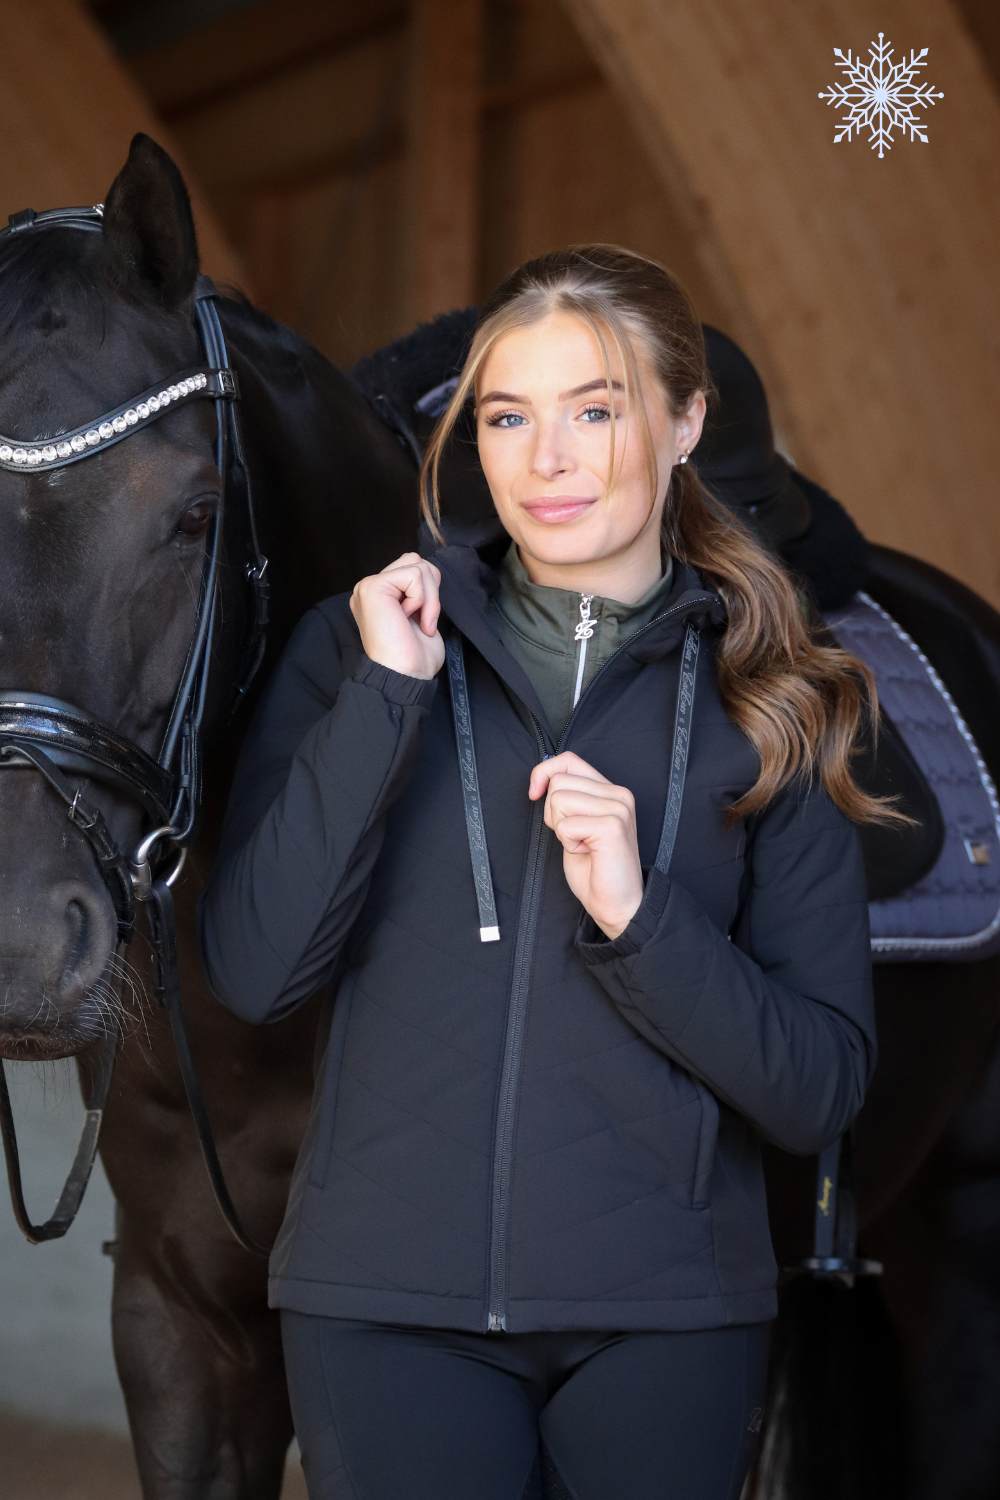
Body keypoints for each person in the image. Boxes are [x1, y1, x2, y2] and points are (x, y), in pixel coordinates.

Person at [198, 246, 888, 1500]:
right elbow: (255, 972)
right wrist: (387, 701)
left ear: (684, 424)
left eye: (595, 411)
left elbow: (818, 1089)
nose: (546, 460)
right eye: (508, 417)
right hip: (384, 1312)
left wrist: (639, 917)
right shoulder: (358, 649)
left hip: (665, 1321)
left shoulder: (780, 702)